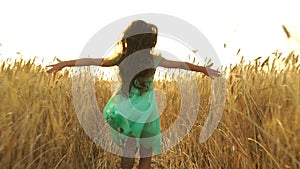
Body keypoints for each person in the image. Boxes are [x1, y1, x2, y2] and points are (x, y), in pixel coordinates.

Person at [47, 20, 221, 169]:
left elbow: (93, 61)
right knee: (147, 150)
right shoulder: (153, 60)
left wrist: (64, 64)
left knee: (130, 133)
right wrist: (203, 69)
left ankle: (129, 144)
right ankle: (133, 147)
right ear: (149, 42)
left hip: (126, 103)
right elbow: (181, 65)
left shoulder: (121, 58)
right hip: (147, 108)